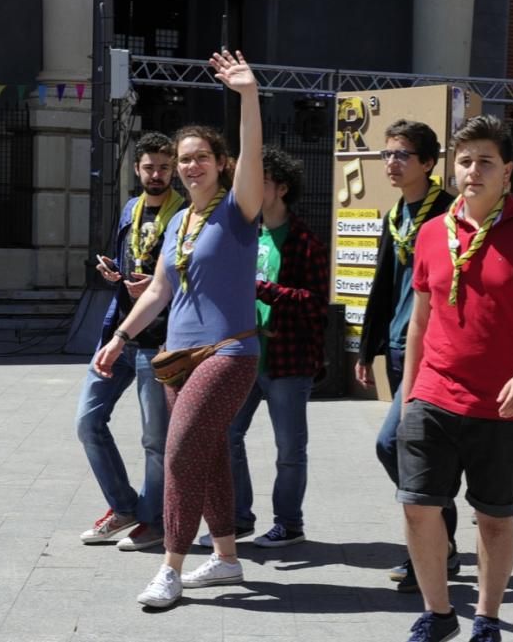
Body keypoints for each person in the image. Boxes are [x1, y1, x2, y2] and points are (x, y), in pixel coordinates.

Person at [92, 49, 263, 610]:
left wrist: (248, 96)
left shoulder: (238, 210)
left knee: (180, 451)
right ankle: (228, 559)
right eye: (184, 158)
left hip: (229, 352)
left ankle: (171, 566)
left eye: (200, 158)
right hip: (176, 356)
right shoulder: (178, 223)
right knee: (206, 455)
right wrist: (119, 338)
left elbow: (253, 155)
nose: (190, 166)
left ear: (222, 163)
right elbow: (161, 291)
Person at [398, 115, 513, 642]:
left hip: (507, 401)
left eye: (485, 162)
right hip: (434, 394)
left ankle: (487, 617)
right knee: (419, 505)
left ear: (507, 171)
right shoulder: (431, 233)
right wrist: (408, 394)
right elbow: (419, 321)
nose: (473, 171)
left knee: (493, 516)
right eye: (465, 161)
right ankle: (439, 613)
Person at [196, 146, 328, 550]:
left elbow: (316, 303)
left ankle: (289, 524)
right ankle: (238, 519)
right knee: (228, 435)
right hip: (244, 356)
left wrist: (265, 291)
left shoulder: (305, 240)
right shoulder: (246, 235)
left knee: (289, 448)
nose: (251, 188)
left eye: (262, 181)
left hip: (289, 362)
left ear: (282, 188)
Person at [354, 120, 459, 593]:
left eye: (402, 155)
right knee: (417, 450)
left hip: (435, 351)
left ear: (429, 163)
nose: (391, 163)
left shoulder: (449, 212)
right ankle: (441, 545)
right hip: (398, 348)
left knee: (393, 444)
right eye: (387, 155)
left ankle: (435, 543)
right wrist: (368, 345)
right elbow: (382, 285)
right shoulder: (397, 214)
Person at [75, 132, 185, 552]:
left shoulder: (185, 213)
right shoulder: (130, 209)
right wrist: (116, 274)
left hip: (159, 343)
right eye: (148, 167)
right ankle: (123, 507)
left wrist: (159, 288)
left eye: (163, 167)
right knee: (87, 422)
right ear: (136, 170)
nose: (156, 174)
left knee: (155, 440)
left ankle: (152, 520)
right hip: (118, 334)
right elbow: (131, 260)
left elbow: (187, 279)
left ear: (172, 169)